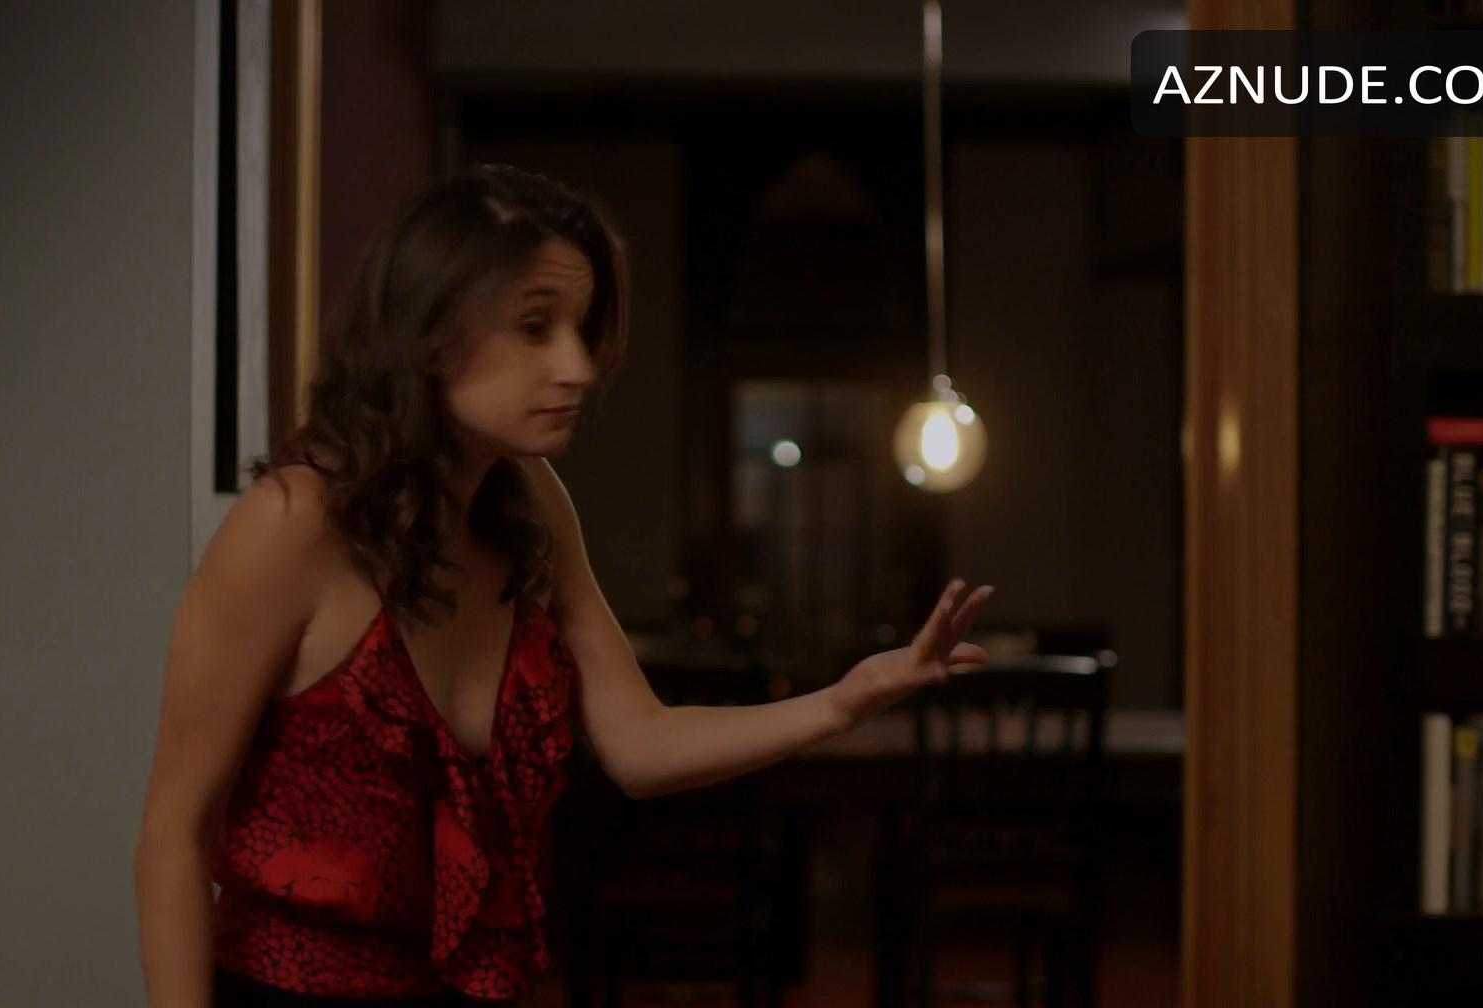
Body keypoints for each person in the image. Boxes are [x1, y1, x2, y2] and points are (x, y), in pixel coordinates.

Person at [132, 163, 994, 1007]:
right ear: (428, 330)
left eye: (582, 330)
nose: (578, 367)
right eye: (535, 327)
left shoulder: (531, 504)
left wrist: (841, 702)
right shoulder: (293, 523)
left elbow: (640, 744)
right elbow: (173, 838)